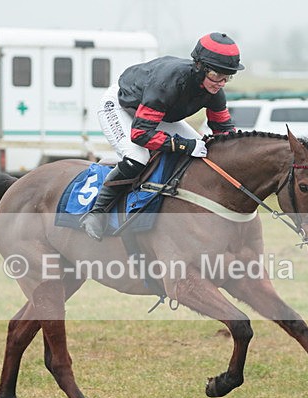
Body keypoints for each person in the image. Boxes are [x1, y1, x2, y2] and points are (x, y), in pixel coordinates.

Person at [80, 32, 244, 241]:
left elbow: (224, 131)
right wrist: (185, 146)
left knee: (205, 153)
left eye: (227, 76)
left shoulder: (214, 91)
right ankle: (97, 213)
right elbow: (140, 134)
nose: (221, 82)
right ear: (199, 67)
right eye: (216, 75)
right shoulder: (169, 82)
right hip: (121, 107)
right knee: (138, 157)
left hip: (157, 113)